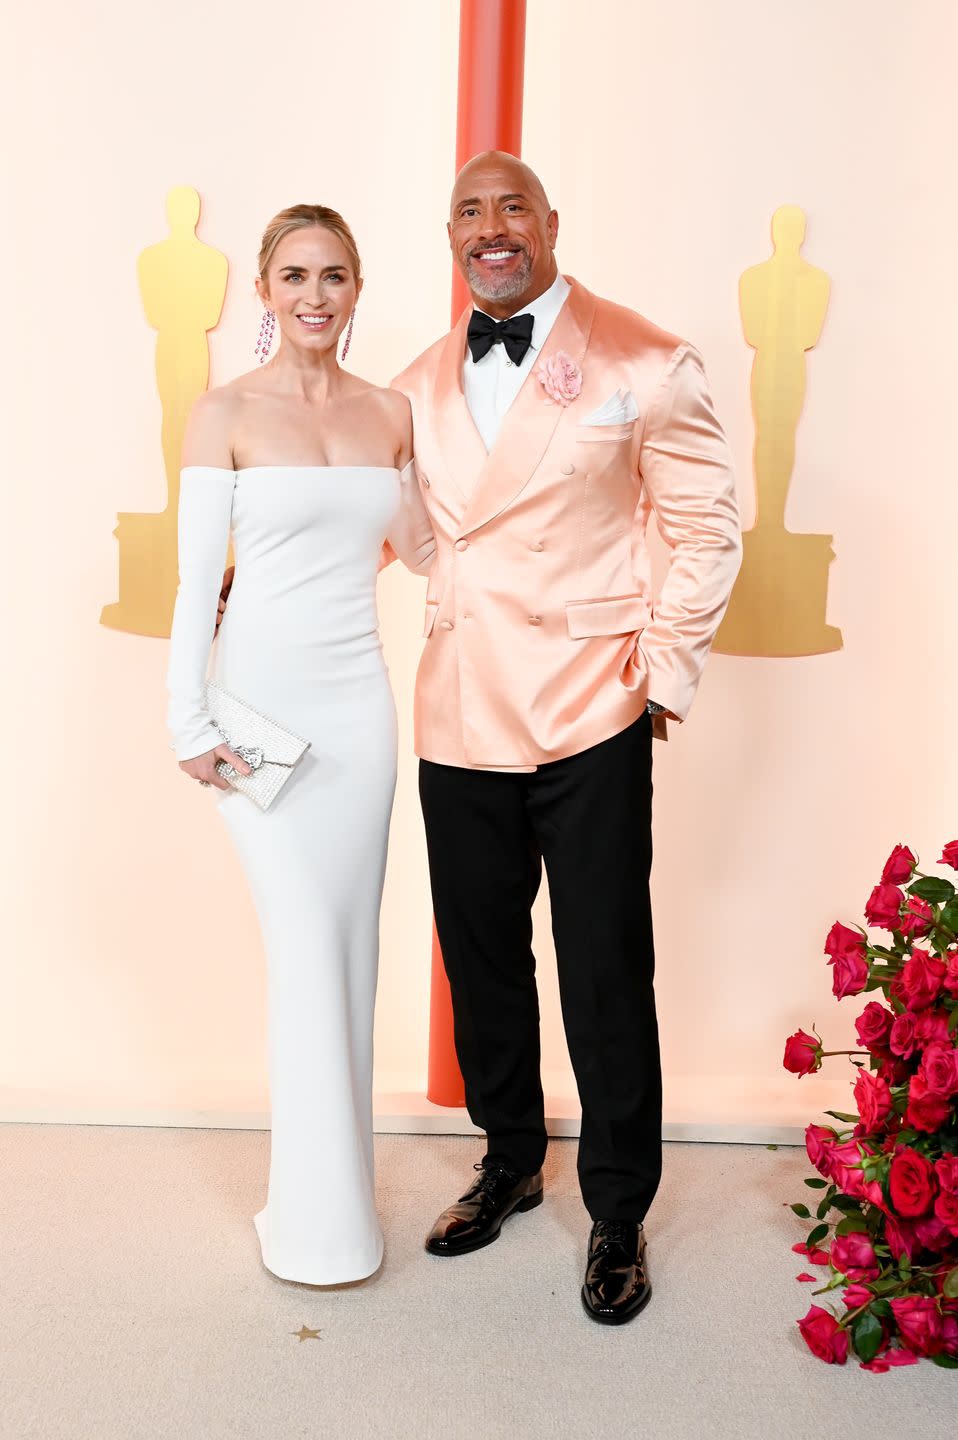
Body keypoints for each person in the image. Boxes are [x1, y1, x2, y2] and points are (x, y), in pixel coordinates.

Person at [392, 152, 742, 1324]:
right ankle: (507, 1159)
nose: (491, 230)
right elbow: (389, 527)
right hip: (460, 705)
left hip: (592, 703)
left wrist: (661, 675)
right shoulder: (415, 383)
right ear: (450, 236)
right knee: (479, 957)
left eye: (511, 209)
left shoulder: (640, 353)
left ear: (550, 223)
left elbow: (704, 528)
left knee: (603, 969)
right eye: (468, 213)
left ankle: (617, 1208)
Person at [166, 204, 434, 1285]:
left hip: (358, 717)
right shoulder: (221, 412)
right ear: (267, 293)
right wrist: (186, 721)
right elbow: (193, 587)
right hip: (254, 710)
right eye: (293, 276)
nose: (314, 295)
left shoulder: (393, 412)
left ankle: (337, 1219)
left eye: (333, 276)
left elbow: (416, 551)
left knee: (352, 950)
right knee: (302, 948)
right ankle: (309, 1220)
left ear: (358, 290)